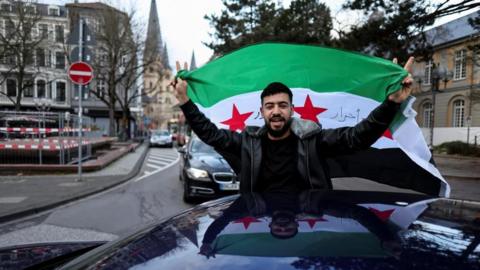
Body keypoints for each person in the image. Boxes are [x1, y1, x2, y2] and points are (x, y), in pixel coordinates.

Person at [171, 57, 414, 194]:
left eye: (282, 105)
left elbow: (357, 137)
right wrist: (184, 101)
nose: (276, 111)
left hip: (311, 225)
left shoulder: (314, 139)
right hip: (256, 221)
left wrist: (391, 103)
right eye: (270, 106)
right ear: (262, 112)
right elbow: (210, 134)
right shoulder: (248, 141)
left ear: (292, 109)